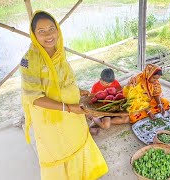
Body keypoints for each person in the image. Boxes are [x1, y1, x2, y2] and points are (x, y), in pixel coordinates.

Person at [20, 11, 108, 180]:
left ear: (57, 30)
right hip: (49, 119)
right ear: (33, 34)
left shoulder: (59, 52)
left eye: (51, 28)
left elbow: (62, 81)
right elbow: (35, 98)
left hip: (71, 113)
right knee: (57, 149)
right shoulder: (28, 61)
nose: (48, 35)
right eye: (42, 31)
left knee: (76, 141)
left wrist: (78, 90)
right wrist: (68, 108)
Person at [88, 68, 129, 135]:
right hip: (104, 109)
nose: (109, 85)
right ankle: (96, 119)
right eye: (106, 83)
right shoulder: (95, 86)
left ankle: (99, 121)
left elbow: (120, 93)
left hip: (115, 106)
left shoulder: (115, 82)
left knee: (126, 119)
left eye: (110, 83)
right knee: (106, 126)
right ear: (101, 79)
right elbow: (93, 100)